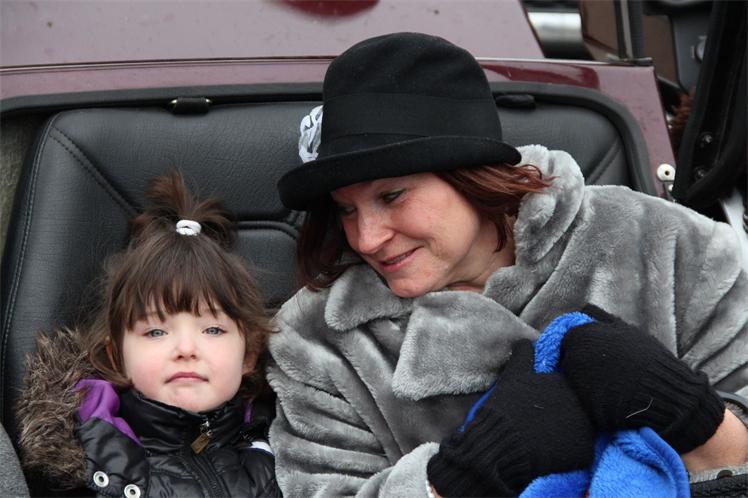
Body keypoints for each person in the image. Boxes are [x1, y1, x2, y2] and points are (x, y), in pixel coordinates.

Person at [268, 32, 748, 497]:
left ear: (471, 174)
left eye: (392, 196)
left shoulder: (664, 242)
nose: (366, 238)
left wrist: (688, 413)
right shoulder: (315, 340)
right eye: (346, 210)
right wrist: (461, 479)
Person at [15, 172, 281, 497]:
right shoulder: (96, 465)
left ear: (249, 355)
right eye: (156, 331)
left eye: (213, 329)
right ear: (116, 357)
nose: (186, 348)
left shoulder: (284, 448)